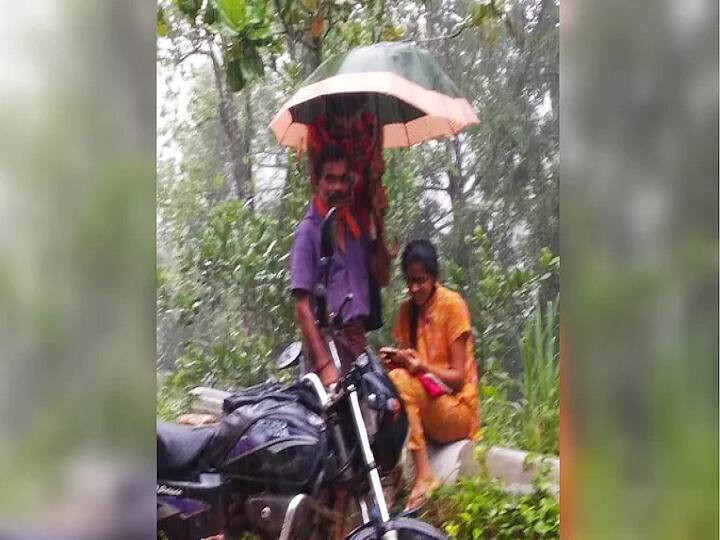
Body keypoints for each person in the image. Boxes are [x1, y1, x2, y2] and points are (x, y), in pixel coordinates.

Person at [379, 239, 479, 512]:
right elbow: (409, 374)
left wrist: (421, 366)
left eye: (420, 280)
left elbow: (458, 377)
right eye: (410, 281)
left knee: (400, 381)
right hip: (427, 403)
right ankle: (393, 474)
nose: (414, 288)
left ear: (434, 276)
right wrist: (395, 362)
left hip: (457, 410)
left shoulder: (452, 305)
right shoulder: (405, 312)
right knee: (385, 384)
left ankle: (424, 476)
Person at [290, 141, 391, 386]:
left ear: (350, 183)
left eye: (342, 179)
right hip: (325, 344)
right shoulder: (308, 232)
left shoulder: (355, 227)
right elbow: (302, 306)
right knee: (333, 421)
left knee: (379, 413)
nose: (337, 186)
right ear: (317, 182)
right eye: (330, 178)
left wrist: (379, 219)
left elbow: (383, 275)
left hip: (356, 340)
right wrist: (324, 365)